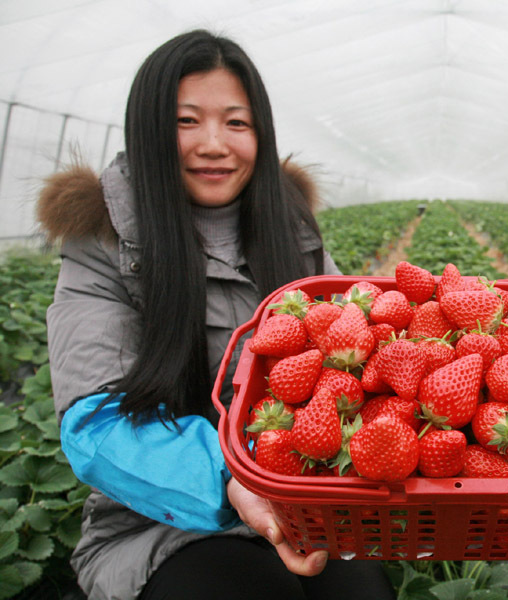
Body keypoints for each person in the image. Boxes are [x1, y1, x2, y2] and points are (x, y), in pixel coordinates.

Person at [36, 30, 396, 600]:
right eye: (185, 122)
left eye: (236, 122)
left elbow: (357, 365)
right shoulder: (102, 242)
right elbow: (96, 424)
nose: (213, 144)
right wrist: (239, 483)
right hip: (156, 519)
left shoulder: (292, 230)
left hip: (302, 500)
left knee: (363, 592)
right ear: (148, 130)